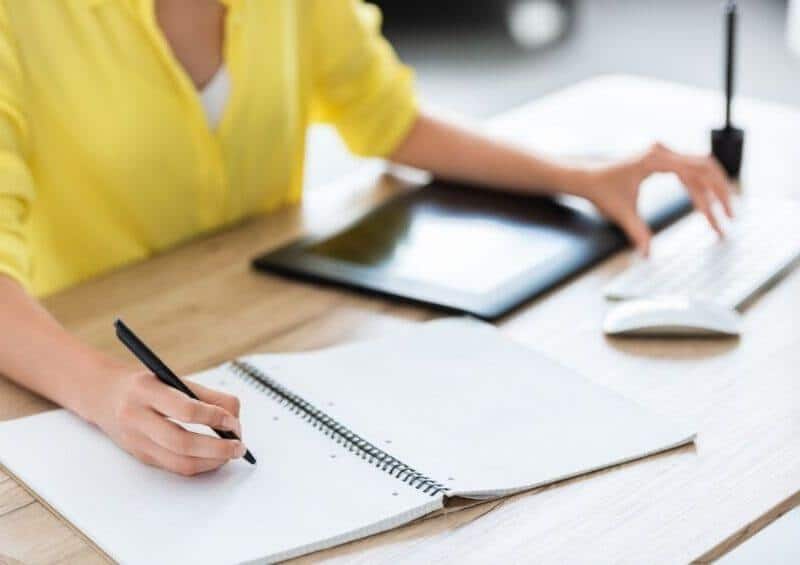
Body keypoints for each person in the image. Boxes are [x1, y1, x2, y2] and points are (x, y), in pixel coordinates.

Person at [0, 0, 731, 476]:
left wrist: (579, 176)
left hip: (273, 347)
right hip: (79, 366)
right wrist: (104, 391)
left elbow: (391, 119)